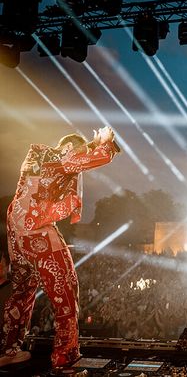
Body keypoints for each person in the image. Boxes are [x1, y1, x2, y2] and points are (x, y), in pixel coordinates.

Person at [0, 127, 120, 369]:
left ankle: (8, 349)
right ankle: (65, 355)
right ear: (69, 149)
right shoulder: (61, 159)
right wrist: (106, 142)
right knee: (65, 291)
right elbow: (97, 158)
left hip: (17, 233)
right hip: (39, 233)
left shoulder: (38, 158)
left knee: (22, 292)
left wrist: (90, 143)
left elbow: (72, 159)